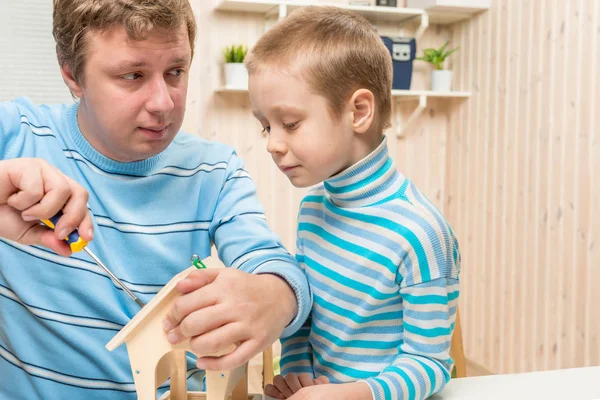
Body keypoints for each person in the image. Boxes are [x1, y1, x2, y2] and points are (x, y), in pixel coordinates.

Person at [0, 1, 311, 399]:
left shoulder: (213, 172)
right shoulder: (16, 136)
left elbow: (273, 263)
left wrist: (275, 296)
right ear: (71, 75)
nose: (163, 102)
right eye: (133, 75)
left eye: (175, 72)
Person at [245, 6, 461, 400]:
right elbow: (306, 320)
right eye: (266, 126)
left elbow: (430, 364)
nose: (273, 144)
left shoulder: (419, 232)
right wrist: (297, 376)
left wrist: (355, 393)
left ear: (358, 111)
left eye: (290, 123)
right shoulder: (312, 211)